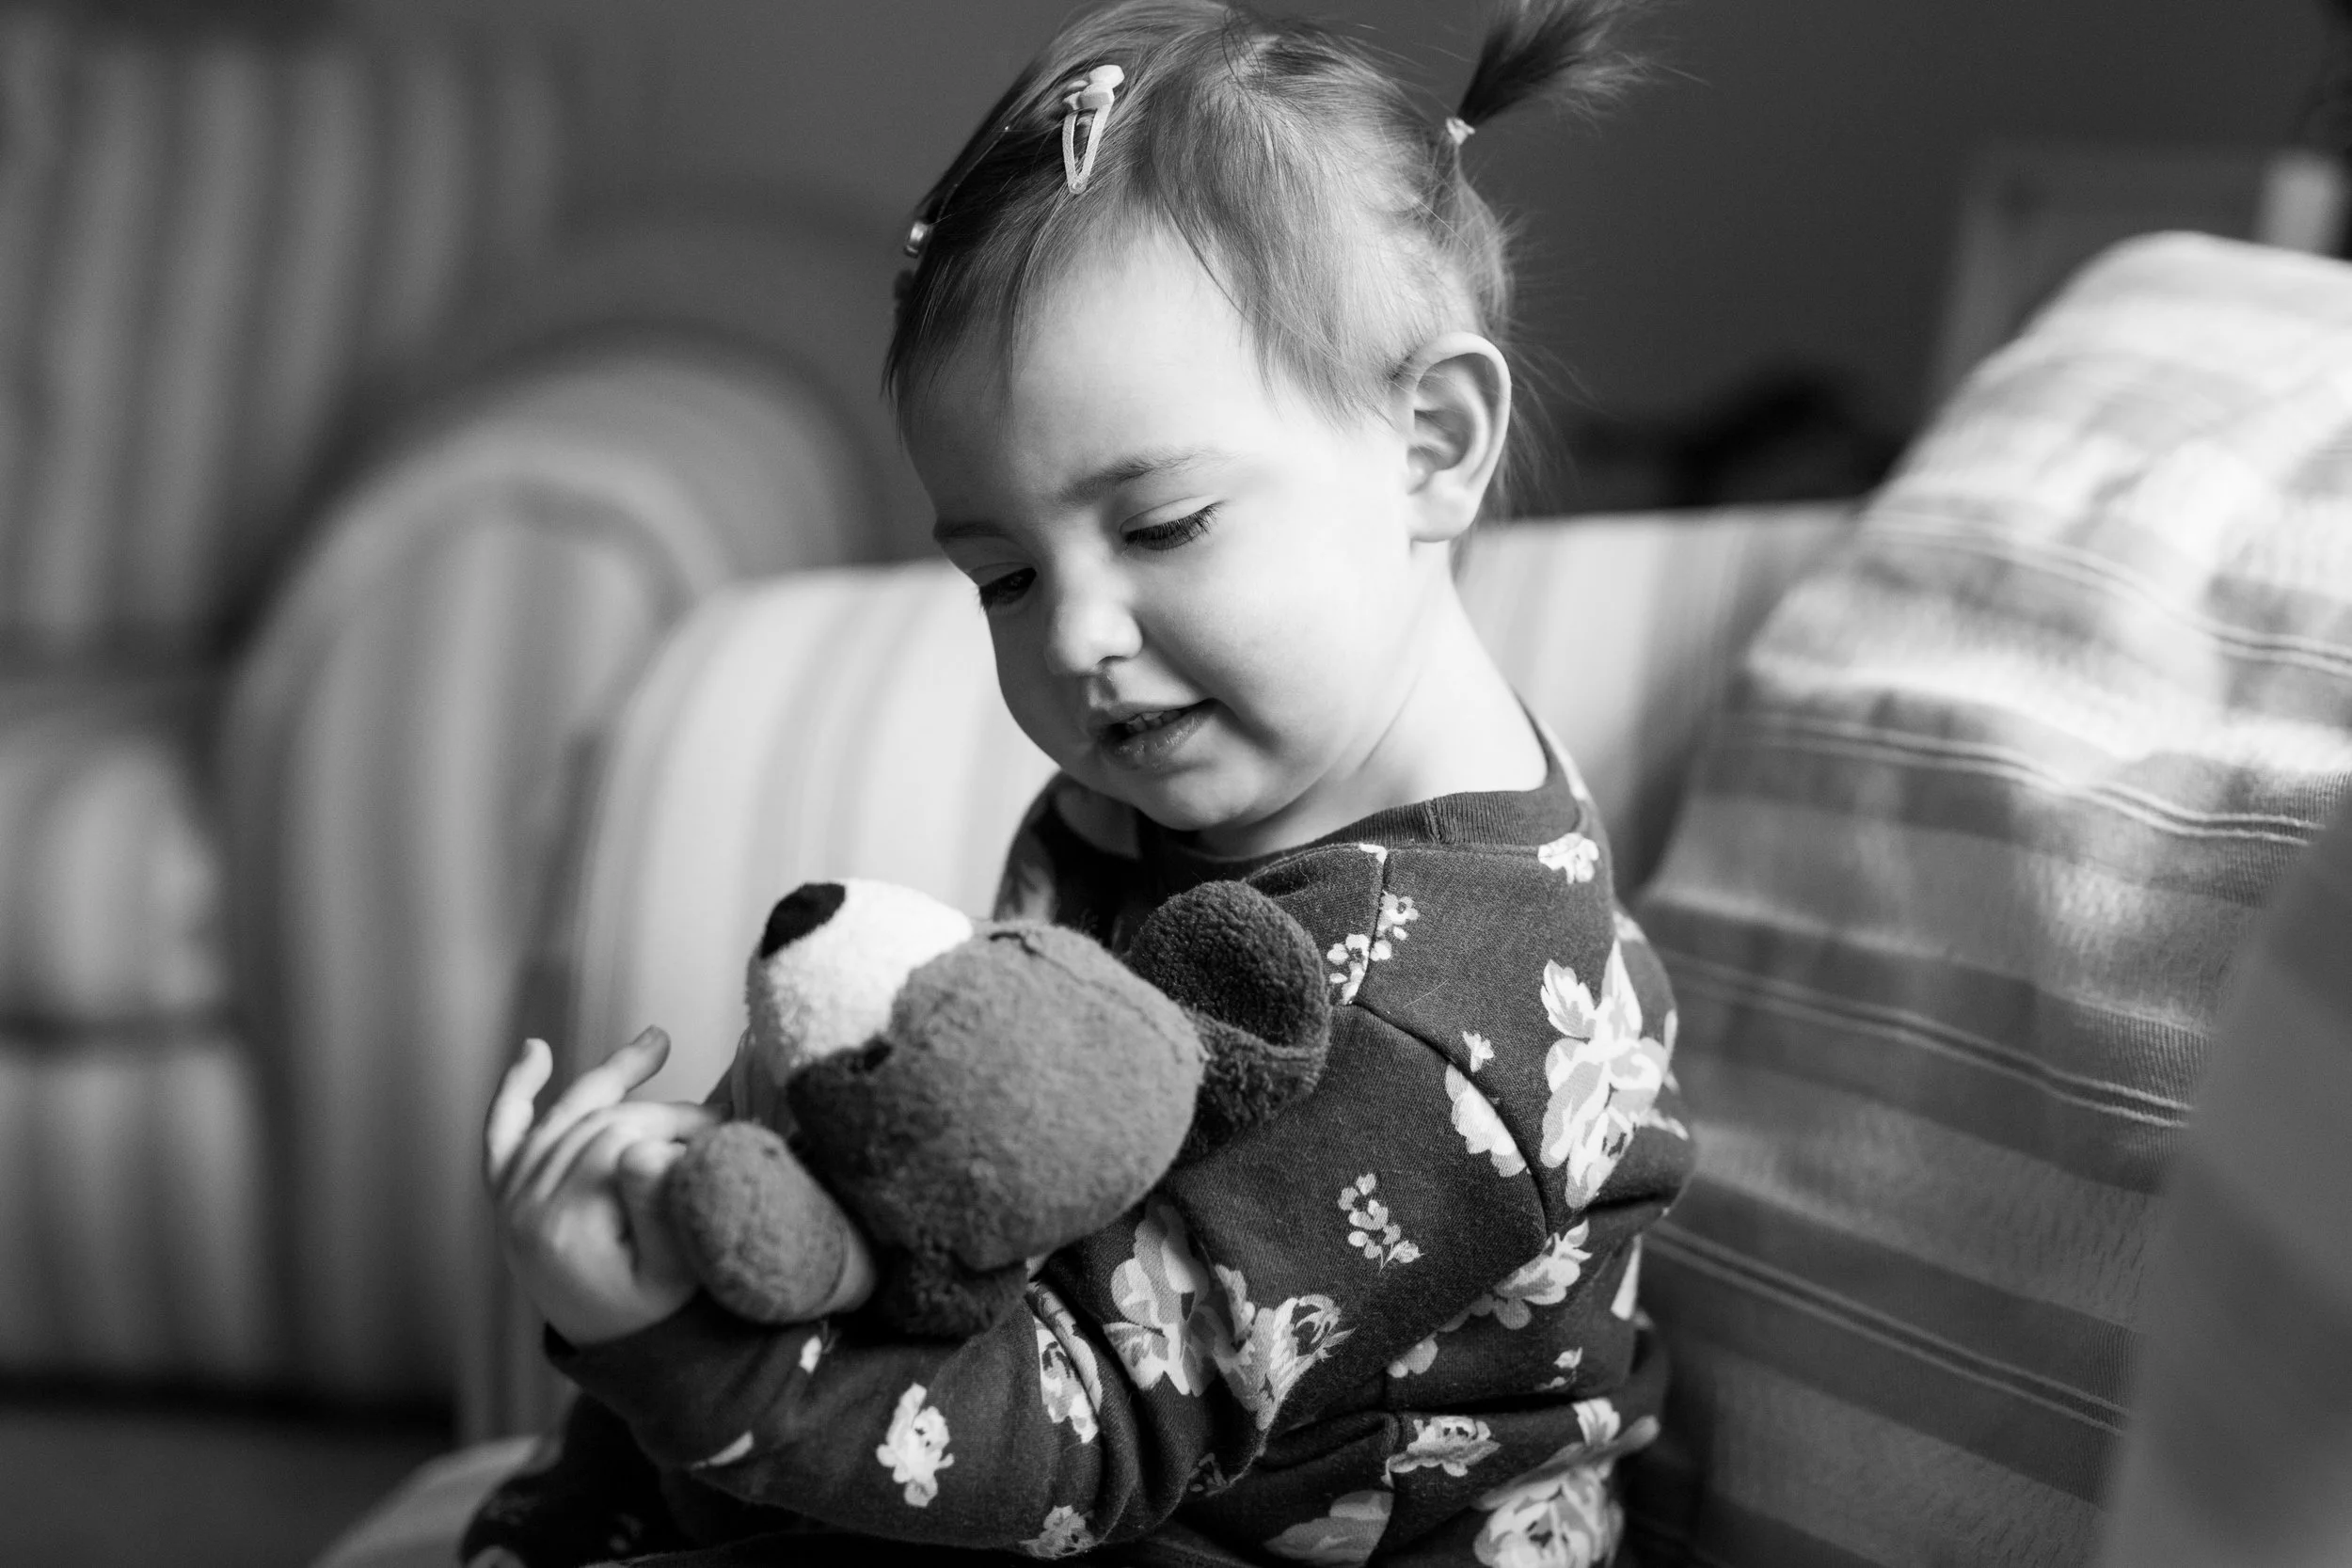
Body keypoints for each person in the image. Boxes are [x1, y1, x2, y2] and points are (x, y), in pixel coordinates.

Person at [466, 1, 1692, 1563]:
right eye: (1001, 578)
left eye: (1164, 524)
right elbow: (992, 1189)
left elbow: (1092, 1427)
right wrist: (734, 1210)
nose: (1081, 641)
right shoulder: (1173, 790)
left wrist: (685, 1350)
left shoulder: (1457, 1017)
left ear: (1428, 443)